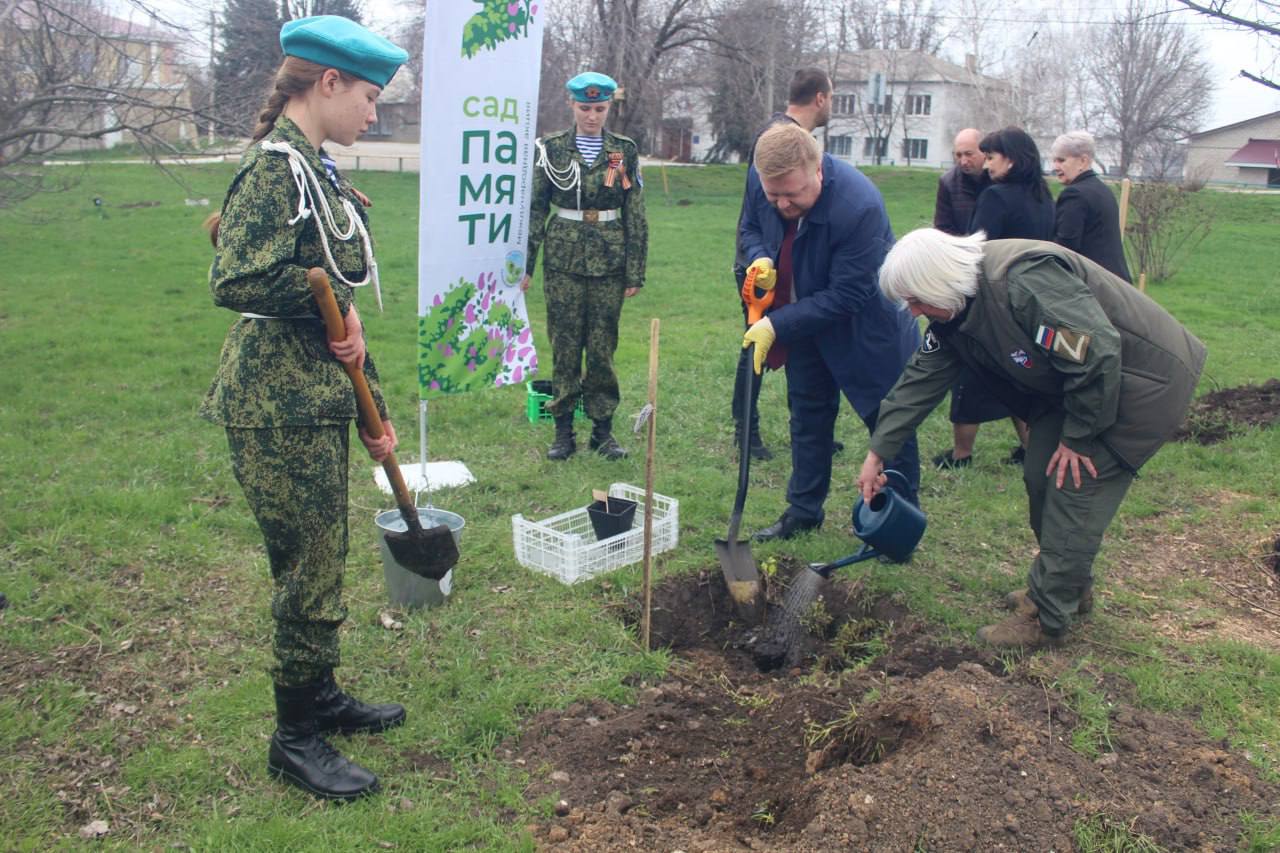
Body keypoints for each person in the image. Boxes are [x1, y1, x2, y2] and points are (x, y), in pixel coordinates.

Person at [199, 15, 410, 801]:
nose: (373, 112)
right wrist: (326, 306)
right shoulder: (273, 171)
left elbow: (339, 306)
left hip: (314, 394)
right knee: (307, 569)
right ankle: (295, 737)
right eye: (367, 95)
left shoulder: (314, 169)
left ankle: (317, 693)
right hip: (273, 404)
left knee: (324, 554)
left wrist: (372, 405)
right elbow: (235, 279)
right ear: (327, 84)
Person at [857, 229, 1205, 648]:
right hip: (1077, 385)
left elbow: (1096, 354)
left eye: (916, 300)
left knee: (1073, 486)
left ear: (940, 284)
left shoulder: (1023, 283)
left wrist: (1078, 439)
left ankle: (1045, 618)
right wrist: (878, 453)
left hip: (1137, 384)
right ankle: (1068, 587)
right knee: (1039, 474)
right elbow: (919, 380)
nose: (912, 312)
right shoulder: (956, 310)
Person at [739, 122, 920, 541]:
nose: (782, 203)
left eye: (794, 194)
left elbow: (848, 295)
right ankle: (804, 510)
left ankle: (899, 519)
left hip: (865, 331)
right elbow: (750, 226)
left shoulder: (860, 207)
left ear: (818, 169)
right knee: (807, 414)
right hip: (801, 324)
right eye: (774, 194)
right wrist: (761, 257)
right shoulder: (761, 176)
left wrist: (776, 324)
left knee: (887, 422)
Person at [521, 72, 647, 461]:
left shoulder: (620, 151)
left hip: (609, 261)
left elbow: (634, 210)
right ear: (571, 106)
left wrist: (635, 269)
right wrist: (526, 264)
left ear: (609, 108)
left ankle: (602, 431)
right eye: (585, 108)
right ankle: (563, 432)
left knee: (602, 346)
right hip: (563, 260)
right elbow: (536, 208)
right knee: (564, 344)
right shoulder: (552, 149)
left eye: (600, 109)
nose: (592, 116)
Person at [934, 126, 1054, 470]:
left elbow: (978, 249)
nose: (987, 166)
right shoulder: (1045, 197)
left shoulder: (996, 197)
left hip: (994, 299)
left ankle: (961, 454)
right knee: (1022, 374)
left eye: (992, 158)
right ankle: (1033, 447)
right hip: (1033, 300)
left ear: (1012, 160)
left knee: (971, 373)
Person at [730, 68, 833, 461]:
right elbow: (756, 218)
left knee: (804, 344)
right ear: (820, 98)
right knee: (756, 347)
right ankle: (746, 431)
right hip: (764, 272)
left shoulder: (801, 141)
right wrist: (762, 261)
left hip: (795, 268)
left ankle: (808, 425)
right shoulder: (777, 142)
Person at [1051, 131, 1132, 281]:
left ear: (1083, 161)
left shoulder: (1074, 195)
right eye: (1054, 160)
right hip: (1115, 281)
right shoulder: (1102, 190)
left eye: (1061, 160)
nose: (1055, 166)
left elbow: (1065, 248)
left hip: (1094, 285)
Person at [932, 128, 989, 236]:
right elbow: (942, 228)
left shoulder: (998, 177)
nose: (963, 161)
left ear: (983, 152)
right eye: (958, 155)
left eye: (969, 154)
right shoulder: (947, 182)